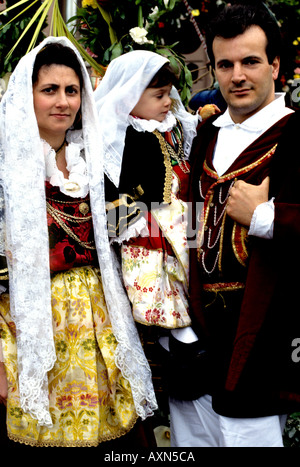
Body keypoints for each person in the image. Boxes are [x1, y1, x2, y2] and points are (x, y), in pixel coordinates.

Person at [0, 36, 157, 447]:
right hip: (28, 331)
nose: (63, 102)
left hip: (100, 322)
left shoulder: (95, 163)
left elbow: (129, 227)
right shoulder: (7, 174)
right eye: (49, 90)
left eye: (72, 90)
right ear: (27, 95)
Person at [171, 2, 300, 447]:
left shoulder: (296, 134)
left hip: (262, 345)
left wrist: (265, 217)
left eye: (250, 61)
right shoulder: (206, 134)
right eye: (224, 65)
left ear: (275, 64)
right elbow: (186, 220)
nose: (236, 76)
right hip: (198, 344)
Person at [93, 51, 220, 410]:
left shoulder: (171, 126)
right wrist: (134, 223)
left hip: (186, 219)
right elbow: (109, 188)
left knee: (193, 280)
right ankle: (177, 340)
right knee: (157, 286)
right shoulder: (119, 135)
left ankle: (186, 338)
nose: (167, 103)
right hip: (148, 231)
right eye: (158, 95)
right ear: (131, 95)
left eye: (169, 94)